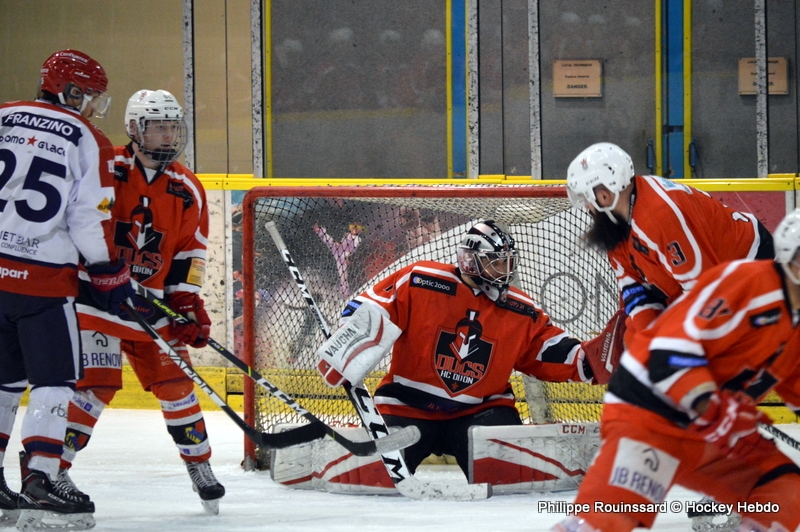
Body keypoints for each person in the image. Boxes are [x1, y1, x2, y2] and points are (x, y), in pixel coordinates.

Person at [550, 208, 800, 532]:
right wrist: (714, 413)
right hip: (649, 416)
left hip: (710, 430)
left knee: (784, 491)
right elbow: (669, 355)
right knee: (604, 521)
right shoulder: (748, 283)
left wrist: (717, 420)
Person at [315, 220, 626, 479]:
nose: (504, 270)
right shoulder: (421, 280)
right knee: (372, 476)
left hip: (481, 413)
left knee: (509, 479)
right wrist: (346, 347)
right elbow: (370, 308)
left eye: (508, 262)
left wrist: (590, 360)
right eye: (496, 262)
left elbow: (550, 351)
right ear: (470, 260)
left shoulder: (521, 309)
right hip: (406, 407)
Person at [57, 89, 225, 515]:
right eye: (158, 127)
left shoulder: (187, 188)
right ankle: (53, 470)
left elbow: (190, 252)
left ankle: (199, 465)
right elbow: (78, 222)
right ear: (134, 128)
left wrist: (185, 301)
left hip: (150, 304)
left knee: (177, 385)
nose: (168, 135)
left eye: (172, 127)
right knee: (95, 385)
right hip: (96, 298)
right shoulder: (106, 168)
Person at [0, 49, 132, 529]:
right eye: (92, 96)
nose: (95, 106)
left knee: (3, 381)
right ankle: (41, 478)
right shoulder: (87, 138)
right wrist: (106, 270)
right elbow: (88, 217)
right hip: (43, 282)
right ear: (71, 91)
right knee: (54, 381)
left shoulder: (3, 115)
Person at [566, 142, 774, 346]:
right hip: (702, 284)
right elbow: (634, 287)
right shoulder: (616, 223)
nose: (587, 206)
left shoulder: (659, 217)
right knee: (636, 340)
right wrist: (648, 344)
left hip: (749, 268)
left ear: (604, 195)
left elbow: (706, 297)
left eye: (587, 198)